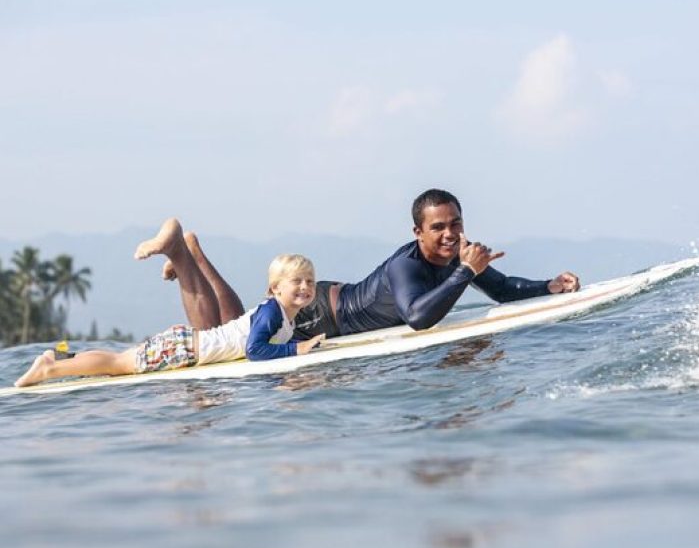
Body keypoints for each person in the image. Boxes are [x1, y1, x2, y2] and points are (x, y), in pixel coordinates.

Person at [15, 219, 324, 387]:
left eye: (309, 281)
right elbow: (255, 351)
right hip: (185, 350)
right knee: (117, 365)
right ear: (274, 288)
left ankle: (60, 356)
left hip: (187, 344)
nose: (305, 287)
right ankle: (48, 369)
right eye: (296, 281)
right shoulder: (272, 312)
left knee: (119, 359)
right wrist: (297, 349)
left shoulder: (283, 316)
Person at [293, 188, 580, 339]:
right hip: (317, 313)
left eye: (456, 224)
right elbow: (418, 319)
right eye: (438, 227)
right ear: (418, 232)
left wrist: (550, 286)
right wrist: (466, 271)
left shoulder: (459, 255)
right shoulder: (404, 266)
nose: (450, 235)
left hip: (337, 299)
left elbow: (503, 289)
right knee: (250, 334)